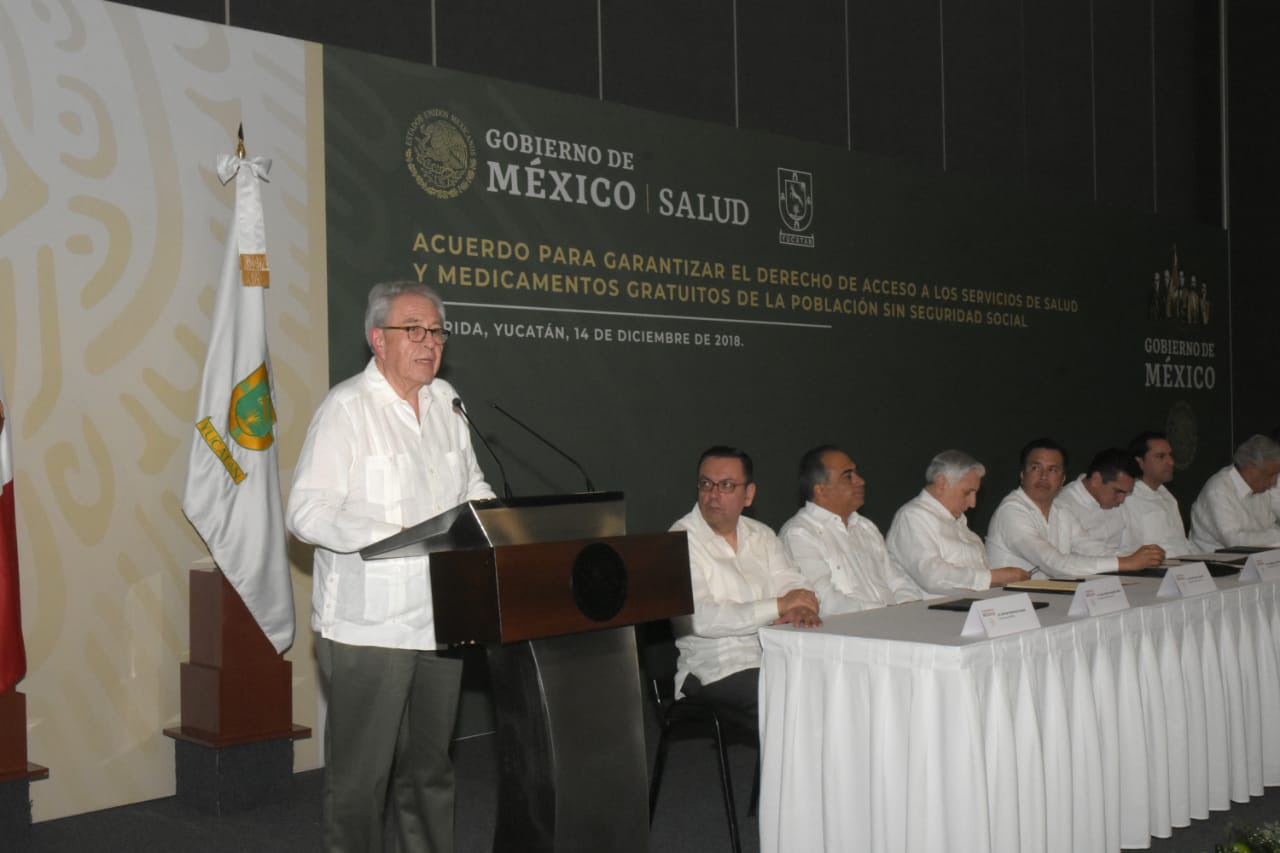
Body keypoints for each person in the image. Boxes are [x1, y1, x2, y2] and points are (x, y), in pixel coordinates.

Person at [287, 281, 495, 853]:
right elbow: (306, 512)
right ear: (379, 340)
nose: (430, 343)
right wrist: (396, 537)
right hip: (368, 628)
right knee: (361, 783)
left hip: (442, 619)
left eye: (437, 332)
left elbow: (470, 484)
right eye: (415, 331)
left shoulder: (448, 402)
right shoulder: (346, 409)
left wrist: (494, 518)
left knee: (430, 772)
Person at [670, 445, 821, 727]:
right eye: (706, 484)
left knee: (834, 688)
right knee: (795, 704)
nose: (713, 495)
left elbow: (793, 582)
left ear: (748, 494)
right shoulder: (679, 540)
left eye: (726, 485)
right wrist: (778, 605)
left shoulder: (761, 535)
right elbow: (702, 619)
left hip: (774, 653)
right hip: (716, 668)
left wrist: (801, 604)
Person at [779, 445, 924, 615]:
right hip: (849, 633)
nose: (861, 481)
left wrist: (907, 609)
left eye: (857, 473)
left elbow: (899, 582)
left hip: (891, 624)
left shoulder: (865, 527)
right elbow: (824, 601)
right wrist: (887, 614)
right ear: (821, 490)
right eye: (848, 476)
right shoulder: (800, 534)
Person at [986, 439, 1164, 577]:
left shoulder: (1060, 510)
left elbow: (1092, 549)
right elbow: (1053, 563)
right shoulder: (1011, 511)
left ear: (1063, 479)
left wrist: (1142, 557)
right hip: (1009, 607)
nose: (1043, 477)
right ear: (1022, 475)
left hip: (1043, 601)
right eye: (1035, 468)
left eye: (1053, 470)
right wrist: (1125, 563)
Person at [885, 450, 1029, 594]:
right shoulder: (912, 517)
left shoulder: (960, 525)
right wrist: (993, 577)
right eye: (967, 493)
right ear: (941, 483)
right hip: (930, 613)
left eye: (976, 494)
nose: (973, 503)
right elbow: (932, 576)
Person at [1050, 448, 1166, 568]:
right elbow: (1084, 552)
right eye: (1118, 491)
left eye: (1127, 493)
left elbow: (1129, 546)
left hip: (1120, 572)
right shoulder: (1062, 504)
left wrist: (1145, 556)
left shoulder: (1119, 501)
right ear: (1096, 479)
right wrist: (1130, 561)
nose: (1122, 500)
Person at [1189, 434, 1280, 552]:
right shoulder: (1218, 489)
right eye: (1271, 475)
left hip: (1255, 561)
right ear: (1251, 469)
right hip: (1215, 565)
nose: (1274, 482)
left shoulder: (1263, 487)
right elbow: (1235, 541)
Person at [1120, 431, 1193, 556]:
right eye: (1160, 456)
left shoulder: (1168, 497)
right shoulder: (1126, 499)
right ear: (1140, 462)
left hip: (1181, 567)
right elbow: (1126, 551)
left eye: (1170, 455)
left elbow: (1182, 544)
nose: (1171, 462)